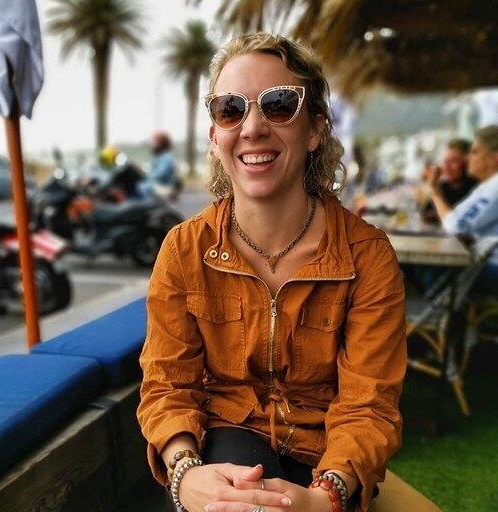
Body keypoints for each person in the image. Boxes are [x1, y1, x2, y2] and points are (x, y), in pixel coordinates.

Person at [137, 32, 406, 512]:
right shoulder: (184, 249)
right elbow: (167, 385)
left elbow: (369, 404)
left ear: (315, 129)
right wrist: (185, 472)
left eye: (279, 104)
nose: (253, 127)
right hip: (226, 439)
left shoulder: (367, 256)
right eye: (230, 109)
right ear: (214, 136)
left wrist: (326, 497)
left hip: (327, 451)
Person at [424, 125, 498, 297]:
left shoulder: (494, 188)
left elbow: (455, 225)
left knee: (429, 268)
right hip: (483, 261)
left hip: (492, 268)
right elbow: (456, 219)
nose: (468, 158)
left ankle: (450, 313)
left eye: (475, 151)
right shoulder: (486, 186)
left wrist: (434, 190)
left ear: (495, 158)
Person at [420, 138, 477, 225]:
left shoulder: (477, 188)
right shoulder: (443, 186)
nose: (447, 167)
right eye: (445, 161)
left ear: (467, 162)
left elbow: (457, 223)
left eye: (453, 161)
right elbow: (426, 215)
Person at [145, 130, 183, 200]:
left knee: (143, 188)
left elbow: (160, 174)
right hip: (156, 185)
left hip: (163, 187)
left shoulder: (166, 157)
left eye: (154, 141)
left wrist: (144, 175)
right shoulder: (158, 157)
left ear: (161, 143)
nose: (152, 144)